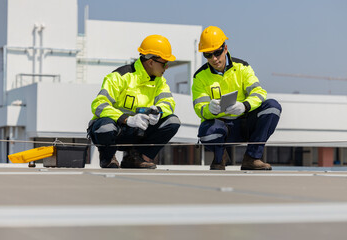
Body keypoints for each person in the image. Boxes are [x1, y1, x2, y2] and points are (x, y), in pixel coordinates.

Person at [192, 26, 282, 170]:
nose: (214, 59)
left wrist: (245, 106)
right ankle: (219, 157)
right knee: (206, 132)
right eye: (208, 55)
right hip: (221, 127)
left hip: (245, 123)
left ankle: (252, 158)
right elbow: (199, 108)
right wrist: (209, 109)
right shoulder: (199, 77)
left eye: (217, 52)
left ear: (225, 48)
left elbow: (259, 92)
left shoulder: (242, 67)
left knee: (272, 107)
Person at [88, 35, 181, 169]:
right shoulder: (119, 77)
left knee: (172, 122)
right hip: (117, 130)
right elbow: (99, 105)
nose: (166, 67)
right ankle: (108, 158)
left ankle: (137, 157)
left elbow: (168, 103)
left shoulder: (160, 81)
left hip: (140, 131)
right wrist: (126, 120)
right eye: (164, 63)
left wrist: (158, 111)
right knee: (105, 126)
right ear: (150, 62)